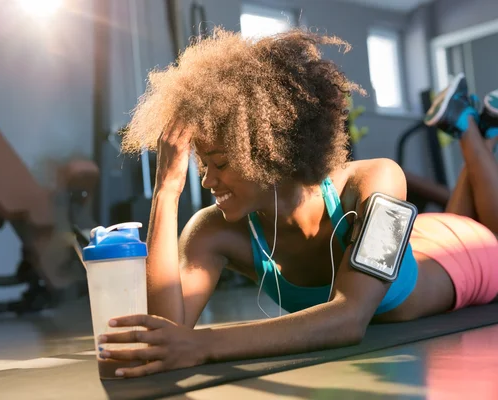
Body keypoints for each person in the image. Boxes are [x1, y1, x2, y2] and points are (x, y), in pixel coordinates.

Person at [97, 28, 498, 378]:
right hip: (424, 241)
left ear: (269, 153)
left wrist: (204, 345)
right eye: (202, 164)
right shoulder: (211, 231)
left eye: (220, 162)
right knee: (456, 216)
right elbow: (167, 334)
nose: (206, 179)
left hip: (464, 253)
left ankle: (466, 128)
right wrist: (166, 191)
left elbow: (349, 317)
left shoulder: (376, 179)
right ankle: (480, 127)